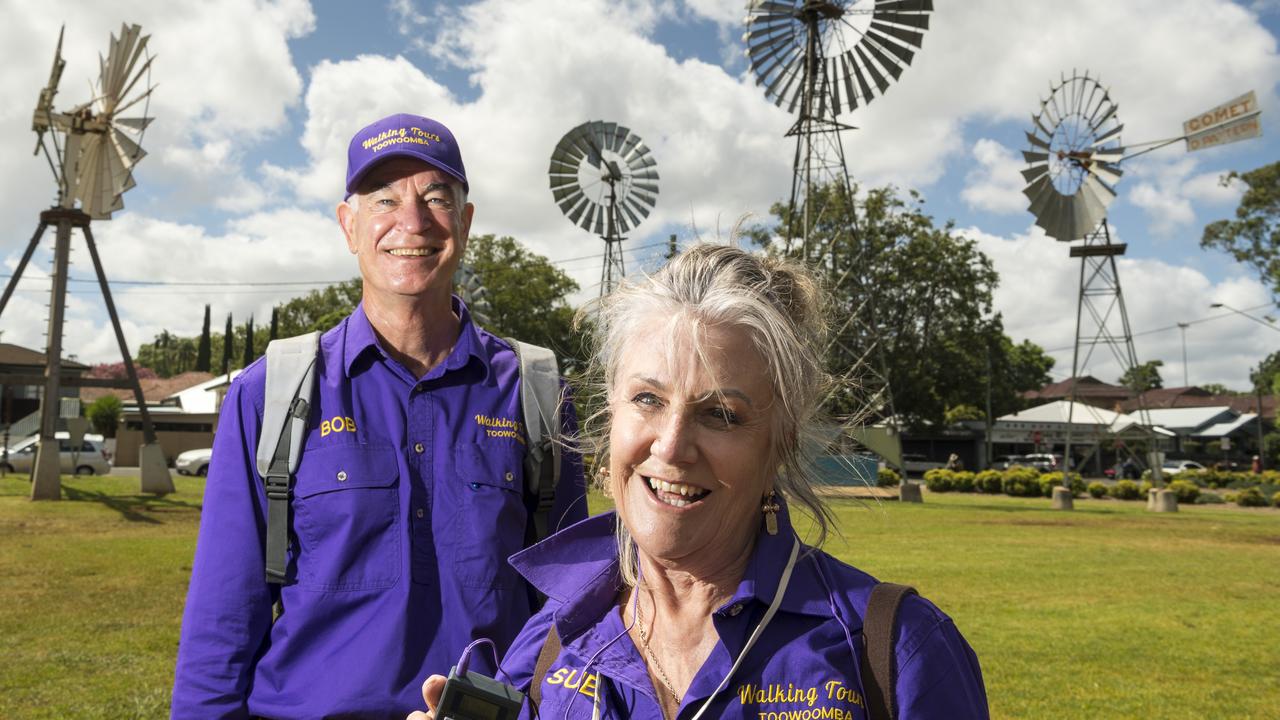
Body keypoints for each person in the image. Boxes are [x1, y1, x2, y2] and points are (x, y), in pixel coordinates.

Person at [411, 243, 988, 719]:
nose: (671, 446)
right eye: (647, 399)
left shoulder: (896, 650)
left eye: (721, 414)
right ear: (611, 415)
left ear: (780, 442)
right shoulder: (547, 648)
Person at [171, 113, 588, 718]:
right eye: (384, 199)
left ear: (465, 224)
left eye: (436, 198)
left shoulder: (538, 393)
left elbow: (567, 609)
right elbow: (221, 624)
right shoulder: (272, 392)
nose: (411, 222)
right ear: (349, 225)